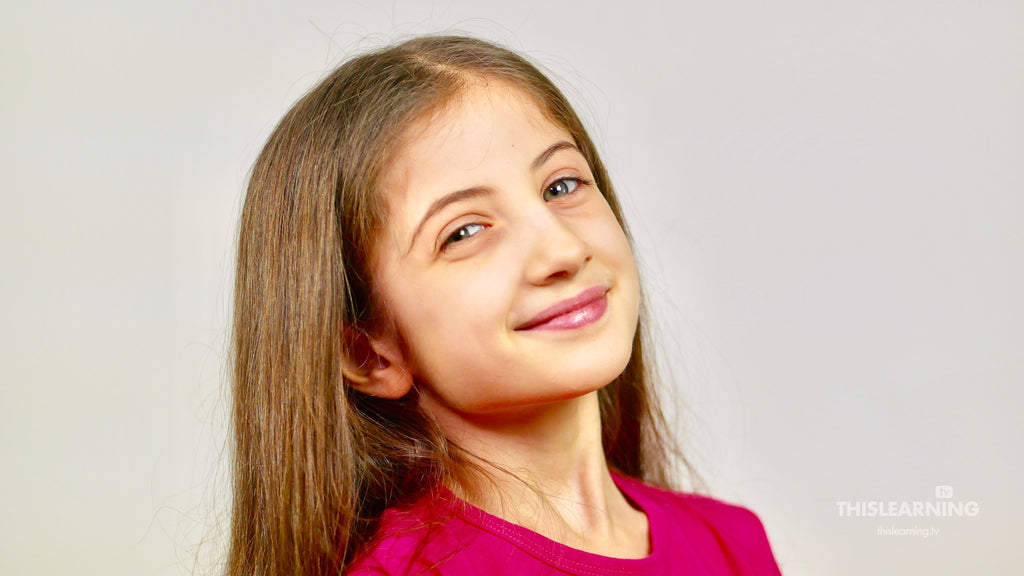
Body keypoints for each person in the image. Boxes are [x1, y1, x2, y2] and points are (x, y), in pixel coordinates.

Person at [227, 35, 782, 575]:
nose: (563, 250)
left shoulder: (734, 545)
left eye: (561, 186)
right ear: (369, 353)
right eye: (464, 232)